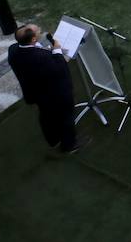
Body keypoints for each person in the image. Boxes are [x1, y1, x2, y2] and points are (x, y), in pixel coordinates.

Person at [7, 24, 80, 154]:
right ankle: (69, 145)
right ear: (33, 39)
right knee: (65, 118)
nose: (41, 30)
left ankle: (53, 140)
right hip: (54, 94)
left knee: (46, 117)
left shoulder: (13, 50)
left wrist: (45, 50)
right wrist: (56, 50)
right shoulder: (42, 58)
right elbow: (60, 69)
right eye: (38, 30)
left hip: (35, 93)